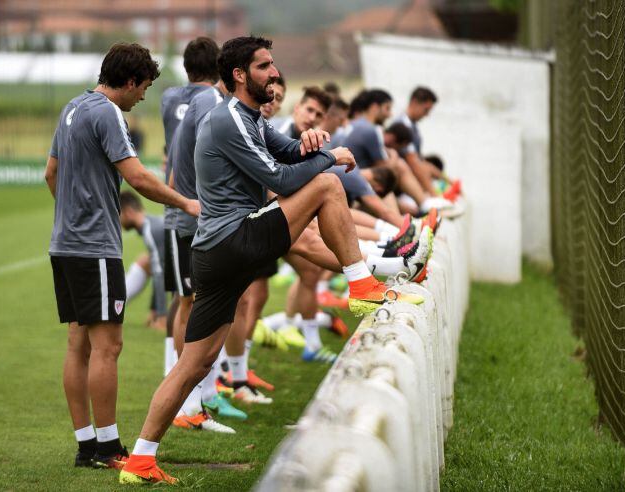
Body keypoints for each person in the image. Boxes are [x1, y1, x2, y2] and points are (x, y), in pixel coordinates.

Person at [119, 36, 424, 485]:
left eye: (274, 66)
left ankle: (140, 458)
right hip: (232, 242)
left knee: (194, 364)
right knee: (327, 186)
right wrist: (330, 158)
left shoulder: (247, 116)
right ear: (240, 75)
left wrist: (312, 142)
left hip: (218, 251)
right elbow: (278, 177)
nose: (274, 74)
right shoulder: (228, 118)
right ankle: (362, 282)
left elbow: (287, 152)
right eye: (264, 67)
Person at [44, 42, 200, 471]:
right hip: (94, 247)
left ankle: (86, 446)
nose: (143, 98)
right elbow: (136, 176)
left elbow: (50, 173)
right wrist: (184, 202)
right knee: (108, 346)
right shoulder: (107, 112)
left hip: (64, 245)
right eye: (143, 88)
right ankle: (110, 449)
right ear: (129, 82)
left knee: (78, 345)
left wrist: (71, 218)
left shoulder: (72, 108)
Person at [161, 37, 220, 384]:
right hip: (193, 201)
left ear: (186, 67)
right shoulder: (210, 100)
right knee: (190, 300)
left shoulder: (169, 98)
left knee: (187, 298)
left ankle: (185, 377)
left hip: (178, 190)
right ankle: (182, 380)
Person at [119, 191, 167, 330]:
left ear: (128, 212)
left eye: (119, 214)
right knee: (146, 261)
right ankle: (113, 307)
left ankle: (111, 307)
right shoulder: (151, 224)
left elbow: (159, 275)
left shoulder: (151, 230)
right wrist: (154, 311)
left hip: (194, 270)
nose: (118, 220)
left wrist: (162, 316)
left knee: (150, 263)